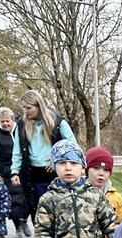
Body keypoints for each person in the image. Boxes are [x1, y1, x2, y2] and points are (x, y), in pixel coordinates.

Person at [10, 91, 77, 226]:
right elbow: (17, 150)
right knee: (40, 211)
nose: (26, 111)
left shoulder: (57, 122)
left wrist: (56, 158)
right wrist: (15, 171)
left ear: (39, 106)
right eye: (24, 108)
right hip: (33, 174)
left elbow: (72, 145)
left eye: (29, 108)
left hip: (54, 172)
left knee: (59, 209)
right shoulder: (21, 124)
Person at [0, 107, 30, 238]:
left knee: (28, 198)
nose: (5, 124)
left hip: (24, 170)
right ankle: (18, 227)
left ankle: (24, 219)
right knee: (14, 201)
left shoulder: (21, 133)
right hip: (6, 173)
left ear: (13, 120)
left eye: (7, 121)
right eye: (2, 121)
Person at [85, 146, 122, 223]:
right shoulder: (78, 194)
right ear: (87, 170)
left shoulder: (116, 197)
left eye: (106, 170)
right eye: (96, 168)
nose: (101, 173)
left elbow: (121, 225)